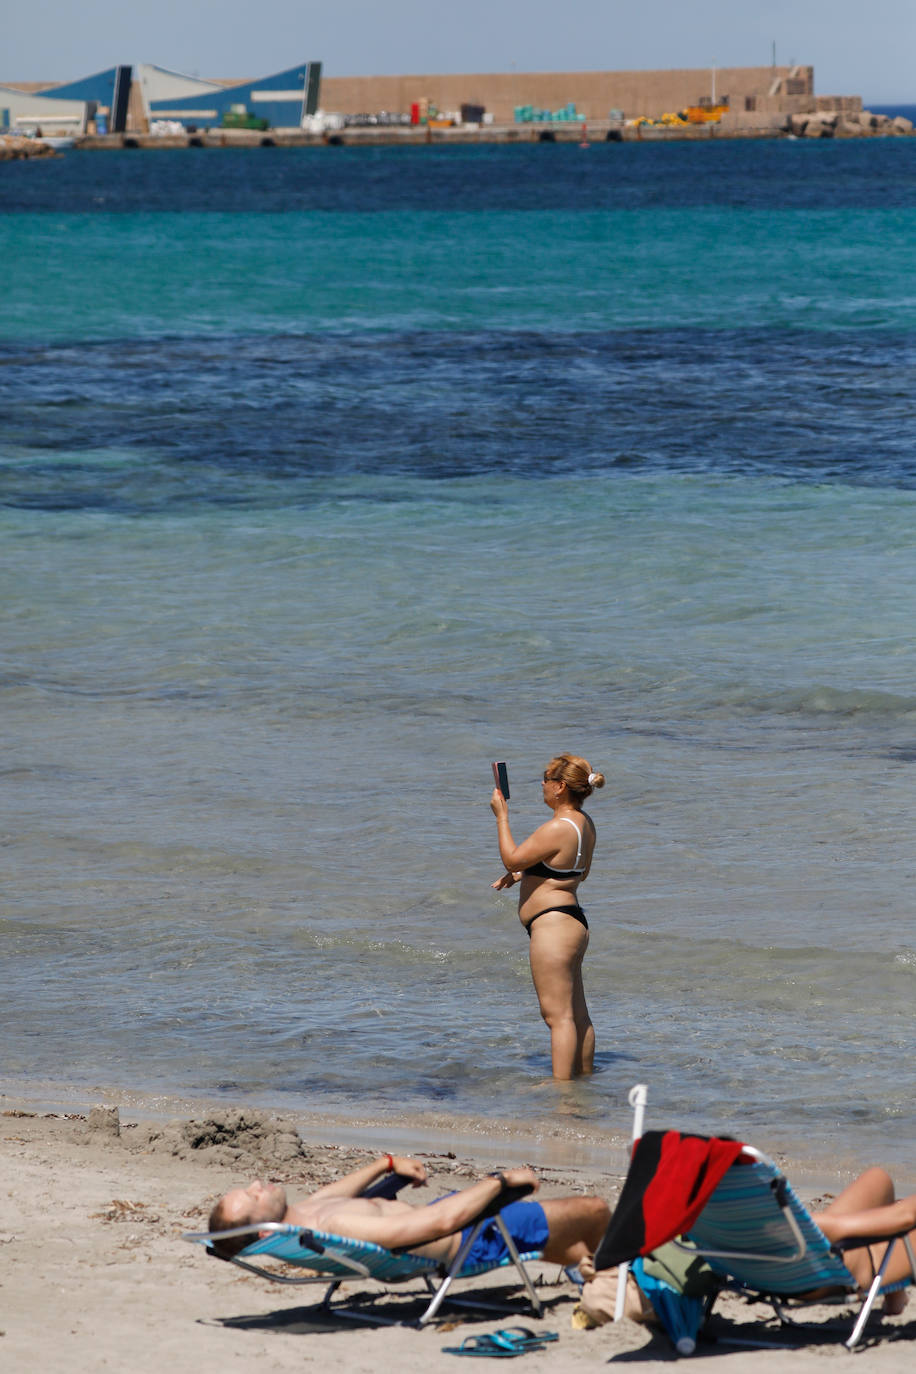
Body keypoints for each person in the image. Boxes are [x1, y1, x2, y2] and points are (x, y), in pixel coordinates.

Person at [207, 1152, 611, 1272]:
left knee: (573, 1246)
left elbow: (332, 1193)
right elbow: (440, 1223)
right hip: (471, 1239)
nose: (258, 1185)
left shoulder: (307, 1216)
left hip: (452, 1220)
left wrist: (386, 1166)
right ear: (263, 1231)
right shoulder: (336, 1226)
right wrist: (499, 1182)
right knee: (594, 1209)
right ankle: (621, 1277)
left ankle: (586, 1264)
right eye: (252, 1195)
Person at [490, 753, 604, 1079]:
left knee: (558, 1017)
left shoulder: (556, 827)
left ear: (561, 787)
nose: (542, 784)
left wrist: (501, 816)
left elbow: (511, 858)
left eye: (546, 778)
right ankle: (583, 1085)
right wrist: (529, 874)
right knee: (577, 1015)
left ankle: (564, 1100)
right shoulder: (584, 824)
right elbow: (576, 873)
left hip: (553, 927)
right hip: (572, 922)